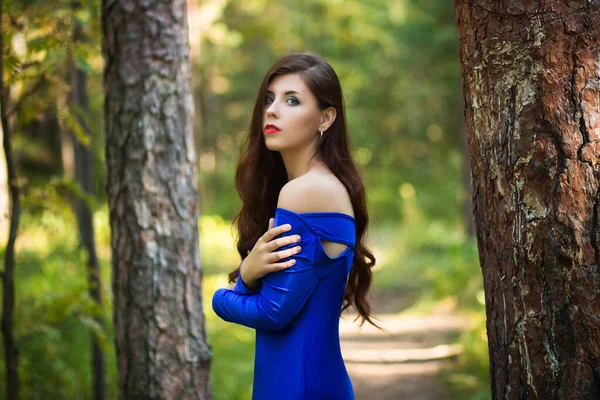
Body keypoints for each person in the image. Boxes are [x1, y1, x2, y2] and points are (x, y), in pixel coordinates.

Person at [211, 51, 382, 400]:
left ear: (325, 118)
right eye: (269, 99)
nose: (273, 110)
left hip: (300, 387)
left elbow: (272, 313)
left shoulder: (305, 191)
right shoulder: (319, 187)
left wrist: (228, 291)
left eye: (292, 100)